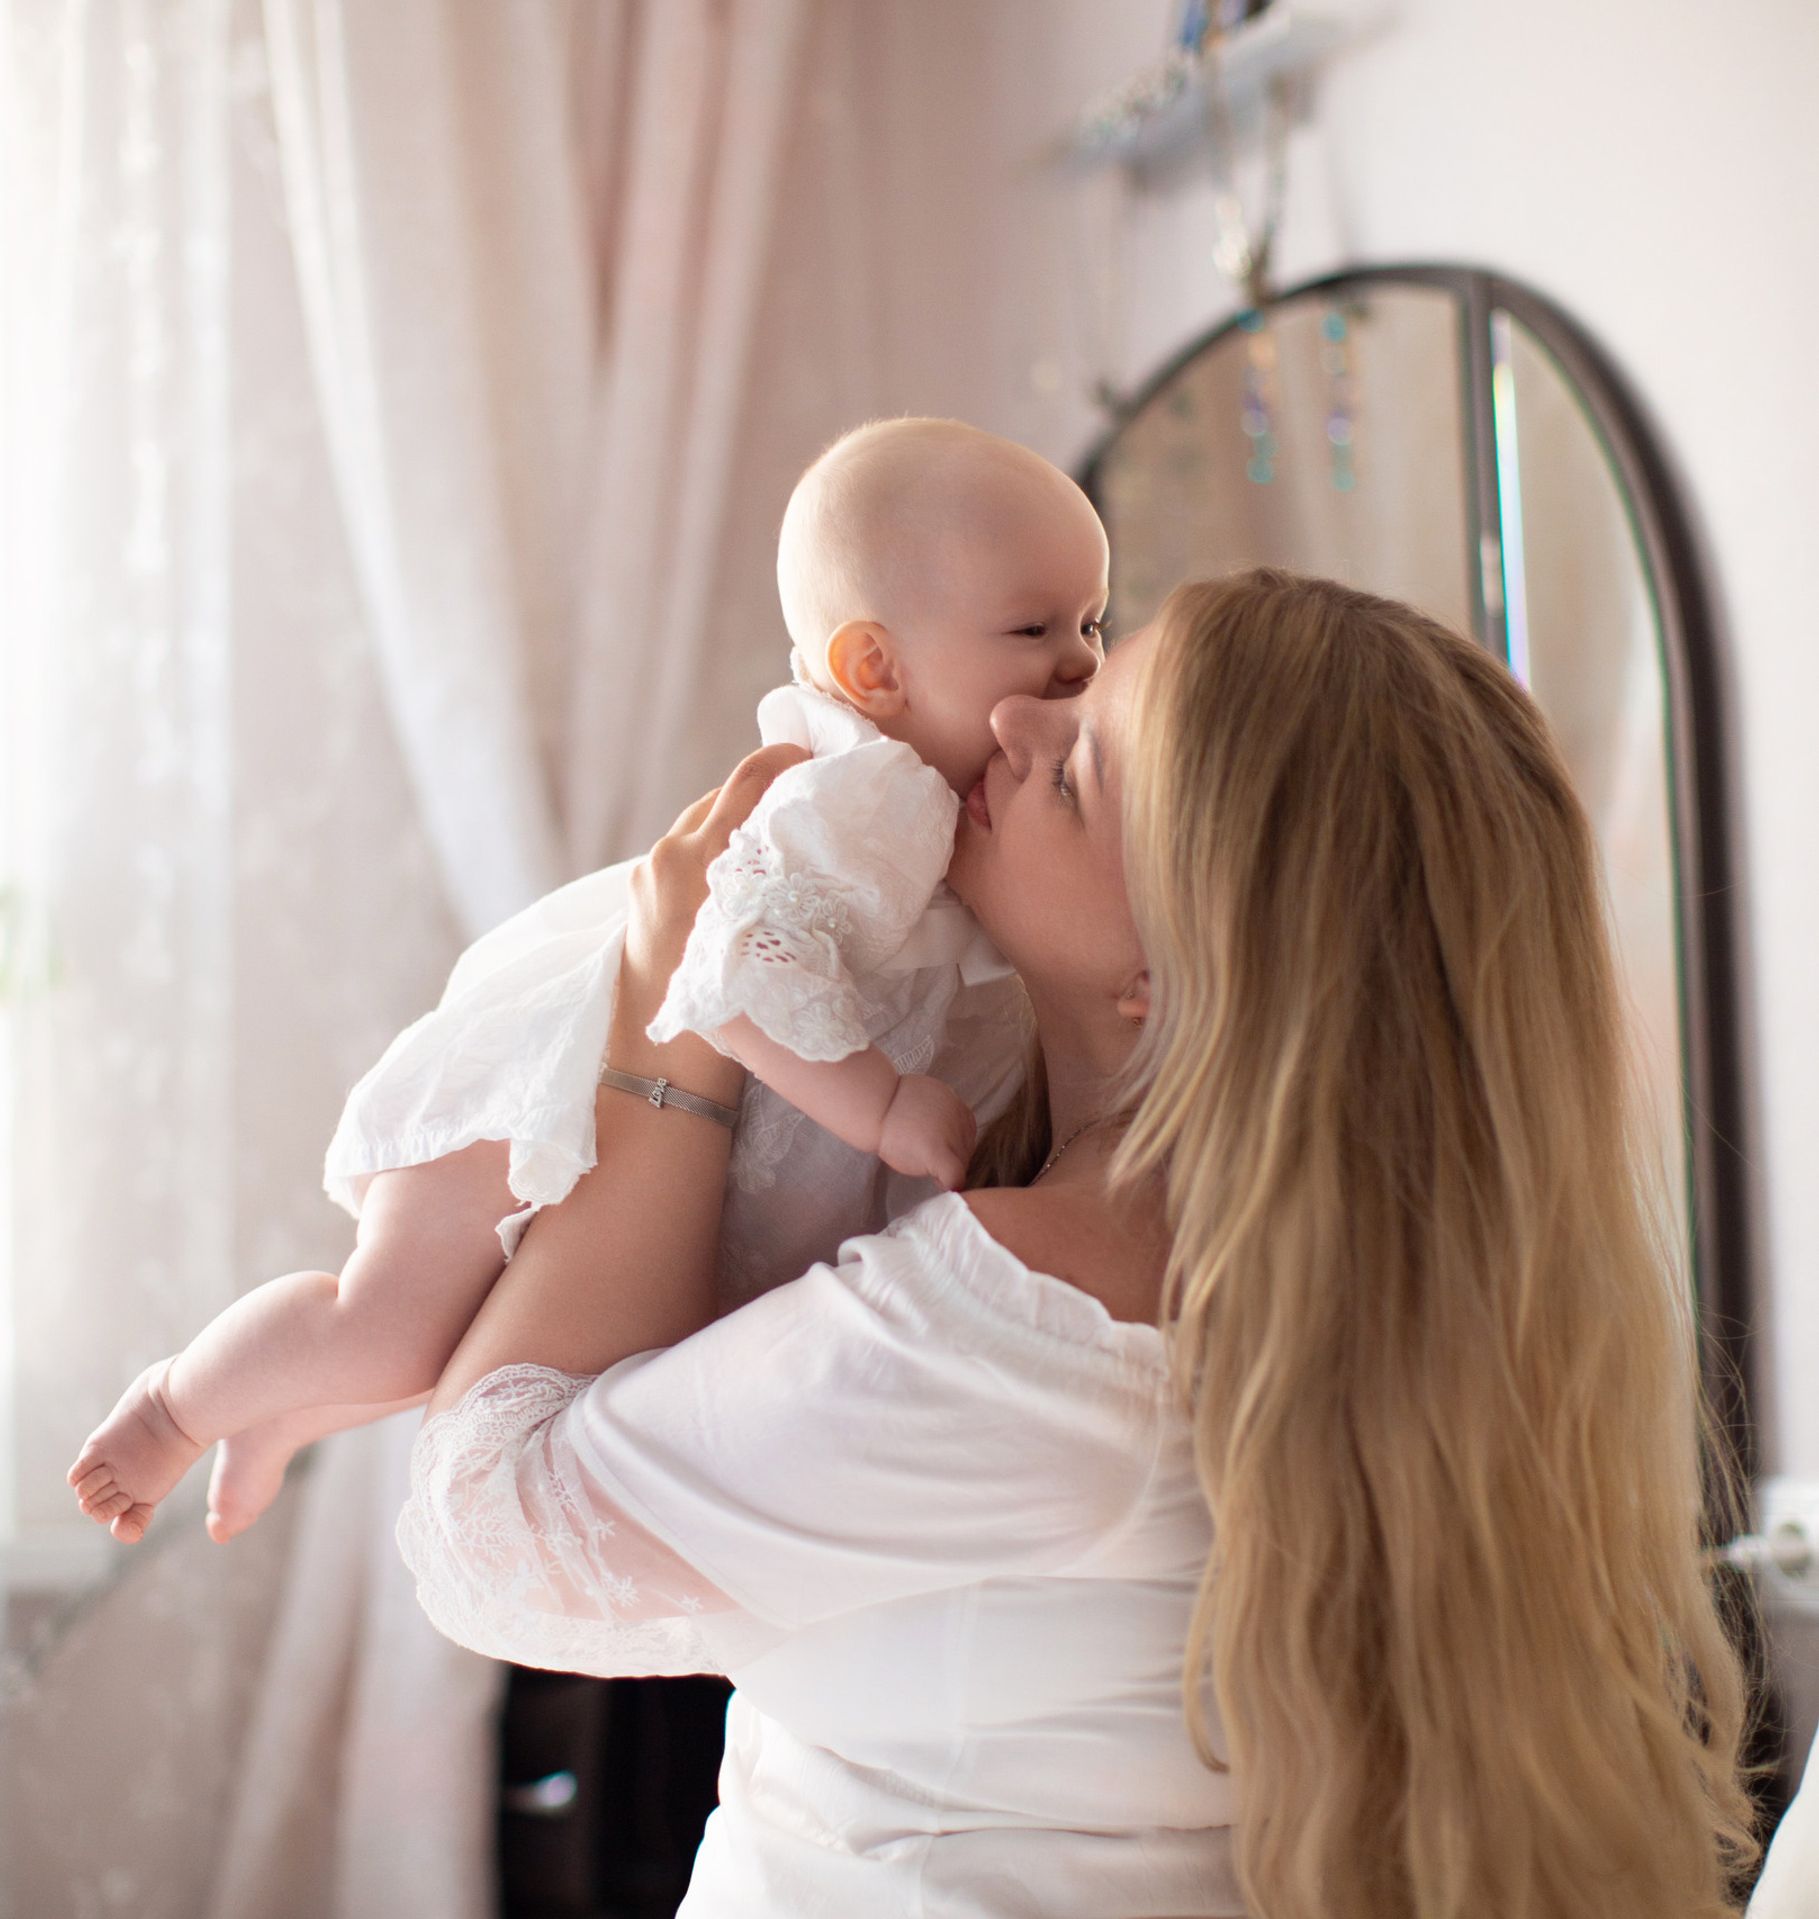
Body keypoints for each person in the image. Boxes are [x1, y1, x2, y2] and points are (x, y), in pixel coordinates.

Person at [399, 569, 1757, 1919]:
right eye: (1083, 680)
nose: (1014, 723)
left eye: (1079, 770)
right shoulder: (1360, 1313)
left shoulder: (1007, 1328)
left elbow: (484, 1535)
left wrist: (671, 1016)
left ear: (1168, 970)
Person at [66, 418, 1107, 1546]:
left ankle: (276, 1413)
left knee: (425, 1348)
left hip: (609, 1102)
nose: (1082, 663)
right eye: (1034, 628)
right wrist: (886, 1104)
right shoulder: (863, 799)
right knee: (386, 1328)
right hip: (539, 1096)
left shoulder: (930, 797)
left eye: (1094, 622)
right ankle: (178, 1404)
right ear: (875, 670)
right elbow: (731, 968)